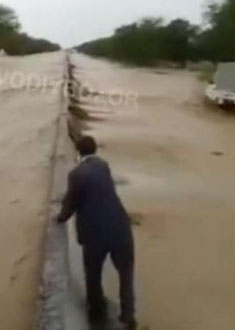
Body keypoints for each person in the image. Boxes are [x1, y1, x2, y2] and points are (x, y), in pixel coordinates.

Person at [56, 135, 137, 329]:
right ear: (95, 150)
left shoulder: (76, 174)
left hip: (95, 233)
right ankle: (128, 315)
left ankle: (97, 309)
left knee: (93, 273)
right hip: (120, 227)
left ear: (78, 152)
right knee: (126, 274)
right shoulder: (103, 165)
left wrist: (60, 218)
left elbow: (70, 204)